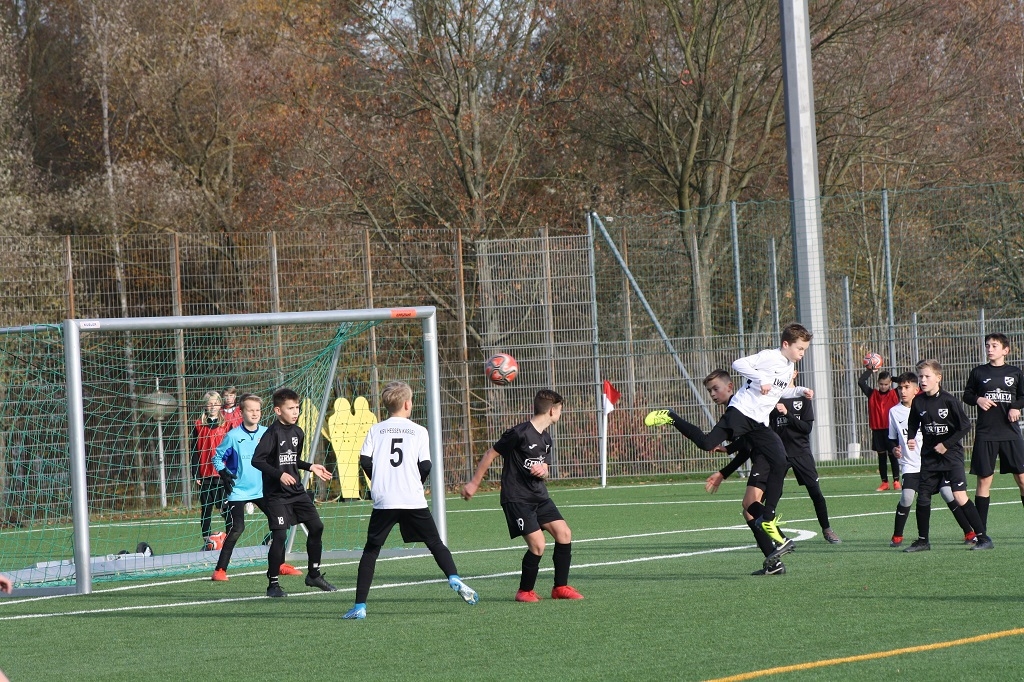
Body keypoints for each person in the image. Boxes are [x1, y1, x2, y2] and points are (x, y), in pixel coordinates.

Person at [646, 323, 814, 553]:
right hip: (742, 412)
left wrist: (800, 391)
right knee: (707, 443)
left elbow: (779, 391)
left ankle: (768, 518)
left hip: (758, 422)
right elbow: (739, 364)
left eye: (804, 349)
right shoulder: (771, 357)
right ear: (786, 344)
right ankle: (670, 416)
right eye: (800, 348)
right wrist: (760, 379)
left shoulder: (788, 366)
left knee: (781, 461)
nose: (802, 353)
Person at [343, 382, 478, 619]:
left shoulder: (376, 430)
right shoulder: (419, 431)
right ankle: (454, 577)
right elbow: (425, 465)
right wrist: (415, 482)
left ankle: (360, 606)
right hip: (412, 498)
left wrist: (379, 478)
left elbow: (364, 460)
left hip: (385, 499)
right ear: (407, 404)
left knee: (371, 551)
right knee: (434, 542)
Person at [462, 389, 583, 603]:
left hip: (539, 497)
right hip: (517, 498)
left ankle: (560, 587)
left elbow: (545, 467)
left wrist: (543, 470)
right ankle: (524, 591)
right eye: (560, 409)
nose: (560, 413)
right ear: (552, 410)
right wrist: (474, 483)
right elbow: (490, 454)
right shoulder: (518, 433)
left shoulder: (546, 438)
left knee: (564, 533)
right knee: (538, 544)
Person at [698, 370, 794, 575]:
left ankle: (781, 540)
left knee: (750, 504)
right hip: (765, 458)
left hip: (766, 460)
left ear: (730, 387)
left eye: (715, 388)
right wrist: (728, 456)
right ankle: (774, 563)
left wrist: (724, 471)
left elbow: (749, 446)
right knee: (749, 510)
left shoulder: (740, 408)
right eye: (709, 391)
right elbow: (746, 445)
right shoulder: (737, 408)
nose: (713, 394)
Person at [252, 387, 336, 597]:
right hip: (276, 495)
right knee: (280, 535)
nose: (295, 411)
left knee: (317, 527)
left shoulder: (298, 432)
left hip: (296, 491)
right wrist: (279, 475)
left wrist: (310, 466)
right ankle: (273, 584)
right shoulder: (272, 433)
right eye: (291, 408)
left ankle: (314, 575)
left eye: (297, 407)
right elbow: (257, 460)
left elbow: (292, 459)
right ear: (278, 411)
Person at [904, 359, 992, 552]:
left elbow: (965, 426)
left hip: (951, 457)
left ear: (938, 378)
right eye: (920, 376)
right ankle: (923, 541)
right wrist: (911, 437)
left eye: (927, 376)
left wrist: (946, 444)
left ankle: (983, 538)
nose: (923, 380)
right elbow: (913, 423)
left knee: (959, 496)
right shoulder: (918, 401)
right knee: (923, 497)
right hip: (929, 457)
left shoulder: (949, 401)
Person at [211, 393, 300, 581]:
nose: (254, 413)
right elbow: (217, 457)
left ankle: (280, 564)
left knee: (280, 525)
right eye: (250, 410)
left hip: (264, 490)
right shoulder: (233, 436)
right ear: (241, 412)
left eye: (257, 410)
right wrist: (223, 472)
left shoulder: (269, 433)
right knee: (237, 528)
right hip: (238, 491)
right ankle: (220, 570)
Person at [888, 372, 976, 547]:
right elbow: (891, 438)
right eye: (900, 388)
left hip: (934, 462)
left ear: (916, 390)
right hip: (911, 464)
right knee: (907, 497)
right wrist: (894, 449)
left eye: (906, 388)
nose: (902, 391)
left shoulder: (927, 405)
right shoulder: (894, 412)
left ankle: (969, 532)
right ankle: (897, 536)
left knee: (949, 494)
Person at [768, 371, 842, 544]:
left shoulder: (804, 398)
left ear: (794, 373)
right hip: (779, 453)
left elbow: (806, 428)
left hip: (801, 452)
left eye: (786, 372)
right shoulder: (772, 398)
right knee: (772, 494)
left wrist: (787, 414)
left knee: (815, 492)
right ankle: (767, 532)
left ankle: (827, 529)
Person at [962, 333, 1024, 528]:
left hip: (1010, 433)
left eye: (994, 346)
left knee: (1022, 479)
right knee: (984, 480)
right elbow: (967, 395)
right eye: (987, 345)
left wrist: (1016, 407)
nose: (989, 349)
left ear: (1006, 350)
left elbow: (1023, 396)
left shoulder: (1015, 372)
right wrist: (978, 399)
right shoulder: (978, 372)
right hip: (986, 433)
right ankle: (981, 532)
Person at [191, 390, 231, 550]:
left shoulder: (227, 424)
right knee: (206, 509)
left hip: (222, 474)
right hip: (205, 475)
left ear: (220, 405)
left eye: (216, 403)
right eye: (210, 404)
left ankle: (230, 539)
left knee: (225, 509)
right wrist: (196, 473)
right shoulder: (198, 425)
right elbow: (194, 451)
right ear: (205, 406)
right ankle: (207, 540)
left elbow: (232, 449)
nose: (213, 406)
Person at [859, 367, 901, 491]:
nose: (883, 386)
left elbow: (903, 381)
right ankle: (884, 482)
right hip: (877, 430)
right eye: (881, 384)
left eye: (886, 384)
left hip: (891, 430)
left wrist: (892, 378)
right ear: (878, 383)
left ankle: (896, 481)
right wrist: (870, 370)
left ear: (890, 383)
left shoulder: (895, 393)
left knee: (893, 455)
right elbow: (861, 382)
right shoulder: (872, 394)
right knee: (881, 457)